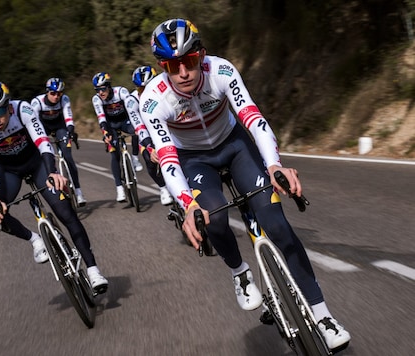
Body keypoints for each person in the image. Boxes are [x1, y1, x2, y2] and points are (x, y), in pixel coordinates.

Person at [139, 19, 350, 351]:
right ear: (161, 67)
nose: (183, 72)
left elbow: (253, 118)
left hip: (234, 145)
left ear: (201, 56)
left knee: (277, 225)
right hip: (194, 159)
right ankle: (240, 272)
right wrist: (186, 202)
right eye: (172, 65)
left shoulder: (221, 71)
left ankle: (323, 316)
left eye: (189, 61)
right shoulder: (154, 100)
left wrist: (274, 165)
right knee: (214, 218)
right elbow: (167, 158)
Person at [0, 80, 108, 293]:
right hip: (8, 172)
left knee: (65, 212)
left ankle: (93, 270)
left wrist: (53, 172)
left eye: (0, 111)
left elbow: (43, 143)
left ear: (9, 106)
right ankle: (35, 240)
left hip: (37, 164)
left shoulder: (23, 109)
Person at [30, 77, 86, 206]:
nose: (56, 96)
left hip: (59, 126)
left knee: (68, 156)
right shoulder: (37, 102)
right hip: (43, 128)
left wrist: (71, 131)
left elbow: (68, 118)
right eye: (53, 93)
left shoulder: (64, 99)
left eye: (59, 94)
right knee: (46, 156)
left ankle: (78, 192)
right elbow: (34, 124)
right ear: (47, 92)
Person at [91, 72, 144, 203]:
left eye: (103, 89)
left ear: (109, 87)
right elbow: (101, 118)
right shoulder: (96, 99)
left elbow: (132, 111)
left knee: (136, 130)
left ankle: (135, 158)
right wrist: (105, 133)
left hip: (125, 120)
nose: (100, 93)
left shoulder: (121, 92)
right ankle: (119, 187)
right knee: (114, 154)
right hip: (111, 125)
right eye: (97, 90)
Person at [128, 65, 172, 205]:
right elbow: (140, 127)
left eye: (147, 88)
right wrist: (150, 147)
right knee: (149, 159)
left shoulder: (167, 90)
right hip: (147, 132)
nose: (144, 92)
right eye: (140, 89)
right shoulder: (132, 101)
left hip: (168, 127)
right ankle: (163, 187)